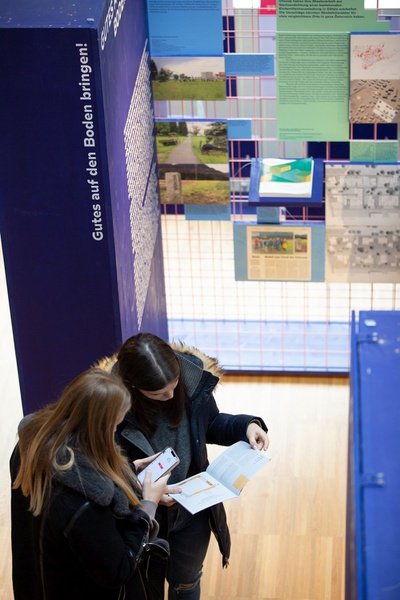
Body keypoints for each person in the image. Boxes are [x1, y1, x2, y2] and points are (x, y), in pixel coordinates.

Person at [97, 333, 269, 600]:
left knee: (187, 584)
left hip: (193, 508)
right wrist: (145, 495)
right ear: (131, 385)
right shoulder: (109, 410)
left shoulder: (190, 380)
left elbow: (210, 423)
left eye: (174, 384)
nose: (170, 395)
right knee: (146, 588)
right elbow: (107, 471)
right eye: (158, 393)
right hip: (144, 515)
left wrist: (246, 426)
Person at [10, 367, 181, 600]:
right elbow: (119, 569)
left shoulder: (29, 449)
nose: (115, 432)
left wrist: (128, 471)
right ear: (98, 429)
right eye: (115, 425)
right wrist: (148, 504)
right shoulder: (85, 504)